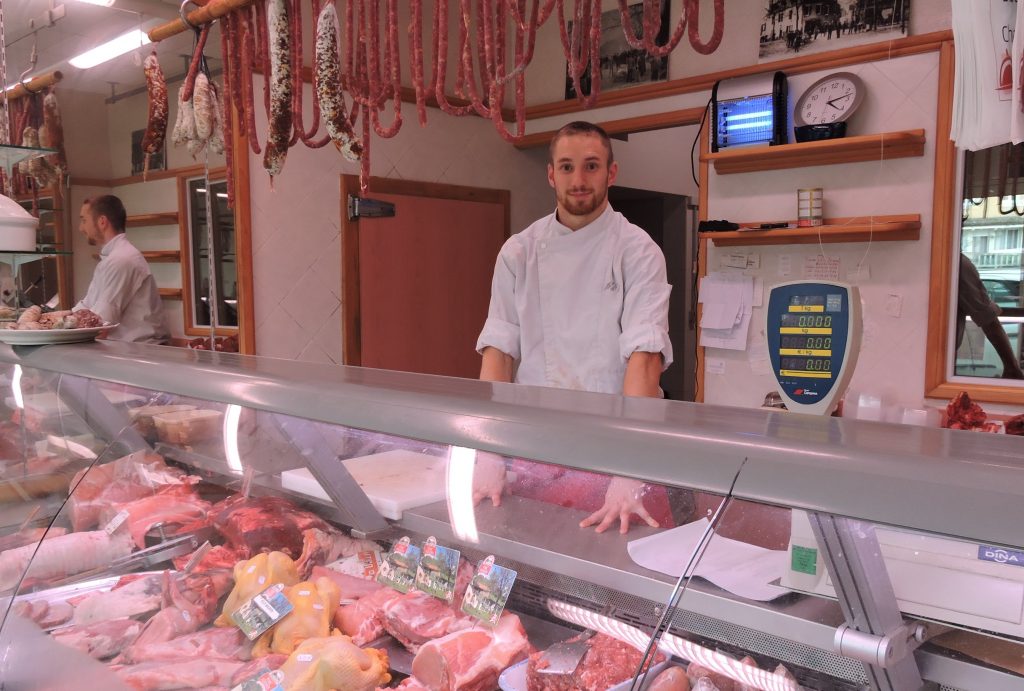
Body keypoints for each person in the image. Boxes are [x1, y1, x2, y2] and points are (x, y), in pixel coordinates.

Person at [474, 121, 674, 534]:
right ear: (551, 174)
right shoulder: (519, 252)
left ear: (611, 173)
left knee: (618, 581)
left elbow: (645, 358)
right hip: (535, 449)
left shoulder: (637, 251)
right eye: (566, 167)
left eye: (591, 166)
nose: (578, 180)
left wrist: (628, 470)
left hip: (616, 450)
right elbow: (498, 352)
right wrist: (488, 454)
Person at [75, 195, 169, 344]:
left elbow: (100, 321)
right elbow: (86, 306)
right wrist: (52, 321)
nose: (81, 228)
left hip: (141, 353)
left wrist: (61, 326)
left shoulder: (122, 260)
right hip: (126, 351)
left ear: (102, 222)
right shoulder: (111, 259)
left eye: (84, 220)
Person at [956, 253, 1023, 379]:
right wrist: (1011, 366)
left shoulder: (955, 263)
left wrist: (1011, 366)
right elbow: (988, 318)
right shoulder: (957, 263)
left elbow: (987, 317)